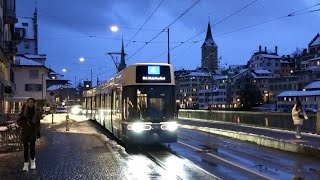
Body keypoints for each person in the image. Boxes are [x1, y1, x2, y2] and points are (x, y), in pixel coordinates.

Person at [18, 98, 41, 171]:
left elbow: (38, 124)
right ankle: (25, 164)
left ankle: (33, 161)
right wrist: (25, 123)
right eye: (29, 102)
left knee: (32, 148)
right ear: (27, 103)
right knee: (25, 149)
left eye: (31, 102)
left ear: (34, 103)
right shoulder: (23, 111)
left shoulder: (36, 112)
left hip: (33, 132)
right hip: (25, 132)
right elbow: (19, 121)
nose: (30, 103)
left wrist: (38, 133)